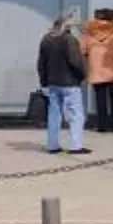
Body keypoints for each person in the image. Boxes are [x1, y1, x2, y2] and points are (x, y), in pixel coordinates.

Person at [35, 13, 88, 154]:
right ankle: (76, 146)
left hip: (53, 83)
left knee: (54, 114)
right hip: (70, 83)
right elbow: (75, 62)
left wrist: (44, 82)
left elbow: (41, 64)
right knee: (76, 114)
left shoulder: (45, 39)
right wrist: (82, 76)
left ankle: (52, 145)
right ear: (67, 26)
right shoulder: (69, 40)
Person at [82, 10, 113, 135]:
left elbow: (83, 49)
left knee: (100, 98)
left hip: (96, 69)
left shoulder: (89, 31)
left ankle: (102, 125)